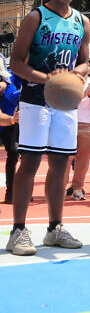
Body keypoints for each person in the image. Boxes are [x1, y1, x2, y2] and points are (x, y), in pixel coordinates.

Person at [7, 0, 90, 256]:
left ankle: (55, 228)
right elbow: (16, 62)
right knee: (30, 162)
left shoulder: (82, 21)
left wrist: (74, 75)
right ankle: (18, 231)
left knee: (60, 164)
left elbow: (85, 62)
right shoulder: (36, 17)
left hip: (66, 102)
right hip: (35, 97)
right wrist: (48, 80)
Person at [67, 63, 90, 200]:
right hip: (69, 122)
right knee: (66, 158)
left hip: (89, 124)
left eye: (89, 66)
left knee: (83, 160)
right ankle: (59, 187)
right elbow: (69, 102)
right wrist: (83, 93)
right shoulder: (68, 81)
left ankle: (77, 188)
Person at [0, 59, 20, 205]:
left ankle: (11, 192)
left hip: (10, 123)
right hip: (7, 119)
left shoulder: (14, 78)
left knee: (14, 152)